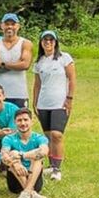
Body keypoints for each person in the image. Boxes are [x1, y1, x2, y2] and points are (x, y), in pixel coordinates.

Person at [32, 30, 74, 181]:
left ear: (55, 42)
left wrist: (69, 98)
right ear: (41, 43)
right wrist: (35, 101)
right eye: (45, 40)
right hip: (44, 103)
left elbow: (72, 79)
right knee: (48, 135)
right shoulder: (39, 62)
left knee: (57, 135)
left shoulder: (64, 58)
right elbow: (37, 84)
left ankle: (57, 168)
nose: (48, 42)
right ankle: (51, 165)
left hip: (60, 102)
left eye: (51, 40)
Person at [2, 109, 49, 198]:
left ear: (31, 121)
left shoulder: (39, 138)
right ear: (15, 122)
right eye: (19, 120)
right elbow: (4, 155)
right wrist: (15, 163)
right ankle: (32, 194)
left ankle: (26, 193)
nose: (23, 123)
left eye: (25, 120)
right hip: (15, 179)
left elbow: (44, 151)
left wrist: (21, 155)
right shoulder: (8, 138)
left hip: (34, 178)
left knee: (38, 157)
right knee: (12, 153)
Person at [0, 13, 33, 108]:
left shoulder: (25, 44)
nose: (9, 27)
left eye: (13, 24)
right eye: (7, 24)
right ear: (1, 26)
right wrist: (16, 65)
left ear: (18, 26)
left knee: (21, 121)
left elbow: (25, 65)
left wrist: (2, 64)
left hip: (19, 93)